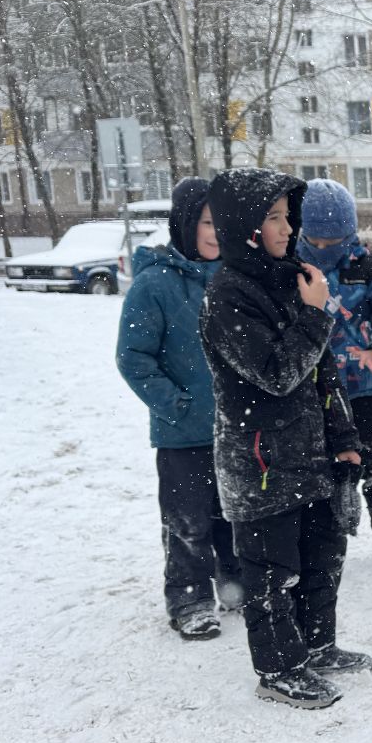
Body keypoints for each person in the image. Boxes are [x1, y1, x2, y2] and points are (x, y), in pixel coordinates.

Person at [200, 168, 371, 710]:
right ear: (245, 227)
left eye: (285, 215)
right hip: (261, 461)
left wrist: (344, 436)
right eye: (271, 217)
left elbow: (322, 374)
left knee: (323, 555)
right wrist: (316, 315)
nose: (285, 226)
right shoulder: (230, 295)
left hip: (311, 454)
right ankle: (278, 670)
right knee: (272, 573)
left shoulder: (291, 277)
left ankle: (317, 646)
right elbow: (276, 373)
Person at [115, 176, 242, 640]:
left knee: (234, 512)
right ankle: (189, 597)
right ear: (187, 224)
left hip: (237, 426)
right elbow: (133, 357)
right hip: (182, 431)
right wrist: (175, 405)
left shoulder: (236, 276)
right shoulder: (154, 285)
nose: (217, 231)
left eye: (224, 222)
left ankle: (234, 585)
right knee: (187, 518)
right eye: (208, 222)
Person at [295, 179, 372, 573]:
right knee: (316, 468)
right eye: (317, 238)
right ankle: (319, 539)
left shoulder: (367, 269)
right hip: (310, 391)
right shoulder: (292, 267)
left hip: (363, 390)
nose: (325, 248)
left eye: (334, 240)